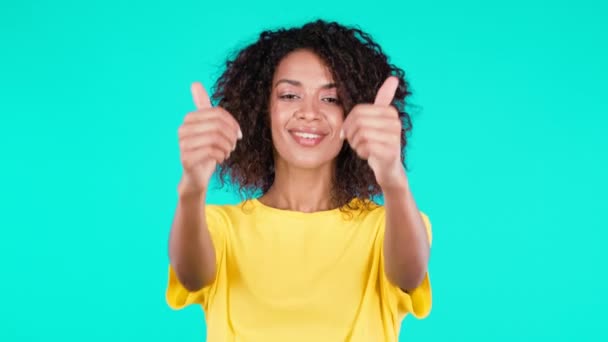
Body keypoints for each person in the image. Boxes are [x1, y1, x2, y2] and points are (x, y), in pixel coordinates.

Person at [165, 19, 433, 341]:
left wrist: (393, 179)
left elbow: (409, 274)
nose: (309, 112)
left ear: (355, 112)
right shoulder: (218, 227)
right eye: (290, 96)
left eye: (331, 99)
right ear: (262, 110)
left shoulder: (388, 226)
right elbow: (191, 275)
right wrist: (192, 189)